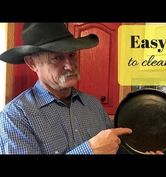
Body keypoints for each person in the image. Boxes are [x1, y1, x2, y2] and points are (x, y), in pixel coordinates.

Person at [0, 23, 132, 154]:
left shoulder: (93, 105)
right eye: (57, 58)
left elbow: (115, 147)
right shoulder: (15, 116)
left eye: (72, 55)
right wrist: (90, 150)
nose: (69, 66)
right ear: (32, 63)